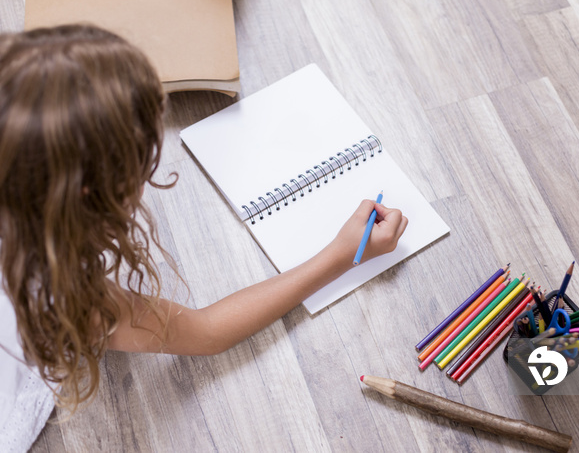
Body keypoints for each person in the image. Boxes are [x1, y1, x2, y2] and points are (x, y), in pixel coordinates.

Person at [0, 24, 408, 450]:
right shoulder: (60, 298)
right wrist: (342, 255)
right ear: (90, 195)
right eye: (141, 167)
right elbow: (207, 332)